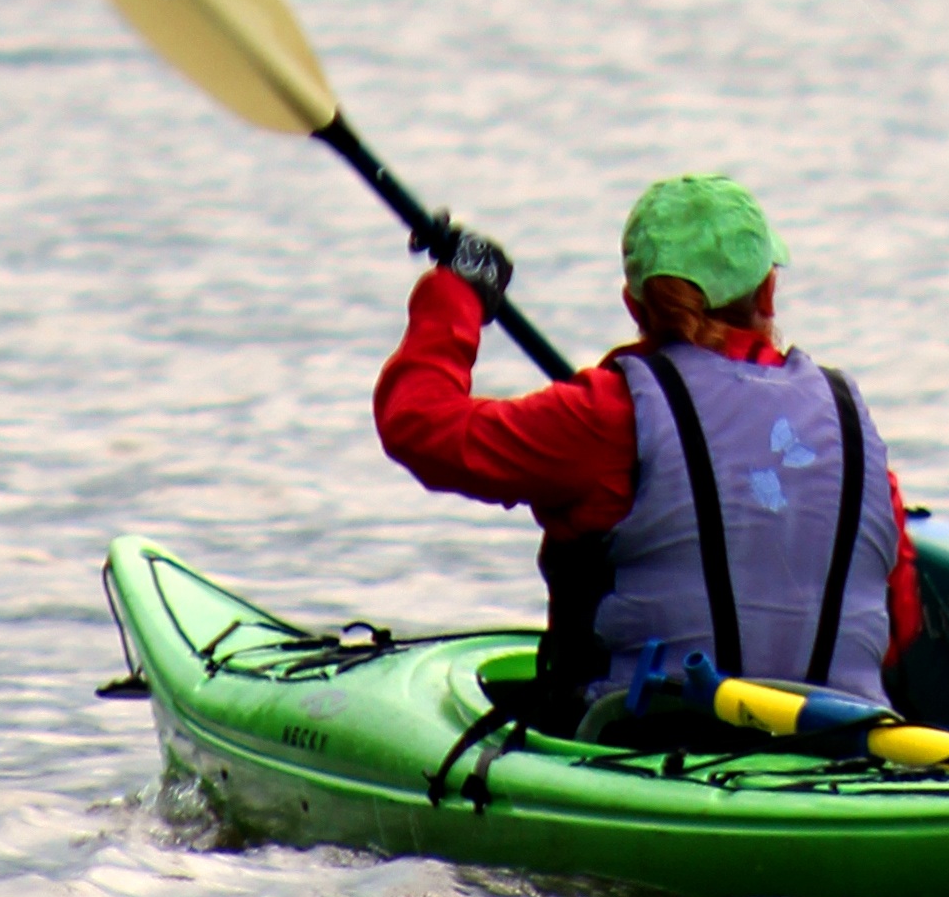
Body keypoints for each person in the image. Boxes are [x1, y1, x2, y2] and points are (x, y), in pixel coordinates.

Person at [373, 173, 920, 723]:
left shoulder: (607, 415)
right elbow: (901, 627)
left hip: (643, 740)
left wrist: (457, 295)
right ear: (768, 291)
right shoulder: (853, 424)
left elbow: (418, 424)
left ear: (635, 306)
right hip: (843, 743)